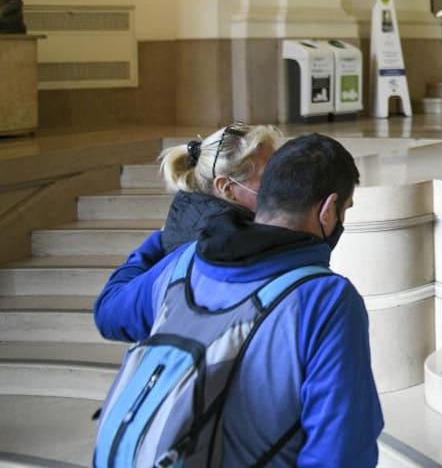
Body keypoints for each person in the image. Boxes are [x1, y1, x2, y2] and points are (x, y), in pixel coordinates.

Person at [93, 133, 383, 466]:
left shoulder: (185, 261)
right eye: (345, 208)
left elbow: (110, 314)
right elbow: (341, 452)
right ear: (328, 210)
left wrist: (158, 241)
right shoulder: (325, 299)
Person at [159, 123, 284, 252]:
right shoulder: (225, 243)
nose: (281, 179)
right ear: (226, 188)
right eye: (268, 174)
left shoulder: (192, 214)